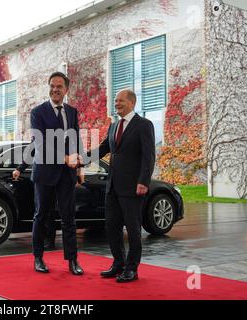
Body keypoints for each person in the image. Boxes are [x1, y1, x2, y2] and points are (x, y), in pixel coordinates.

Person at [87, 89, 155, 283]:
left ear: (132, 103)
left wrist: (143, 181)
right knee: (112, 227)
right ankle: (119, 264)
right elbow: (103, 148)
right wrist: (81, 159)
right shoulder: (114, 126)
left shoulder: (144, 125)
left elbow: (148, 156)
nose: (116, 104)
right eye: (115, 101)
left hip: (133, 187)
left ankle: (132, 269)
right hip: (112, 187)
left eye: (120, 101)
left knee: (133, 229)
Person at [29, 71, 84, 275]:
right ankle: (38, 258)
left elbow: (76, 139)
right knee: (41, 215)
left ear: (66, 89)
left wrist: (79, 166)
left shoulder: (72, 111)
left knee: (69, 217)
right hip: (45, 172)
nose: (55, 89)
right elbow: (41, 143)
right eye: (52, 85)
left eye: (59, 86)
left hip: (67, 174)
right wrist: (64, 158)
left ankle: (72, 261)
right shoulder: (38, 112)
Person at [12, 150, 57, 250]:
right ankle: (41, 243)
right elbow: (31, 152)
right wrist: (20, 168)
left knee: (50, 211)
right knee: (42, 211)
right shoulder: (39, 134)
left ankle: (50, 241)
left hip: (57, 178)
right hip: (43, 176)